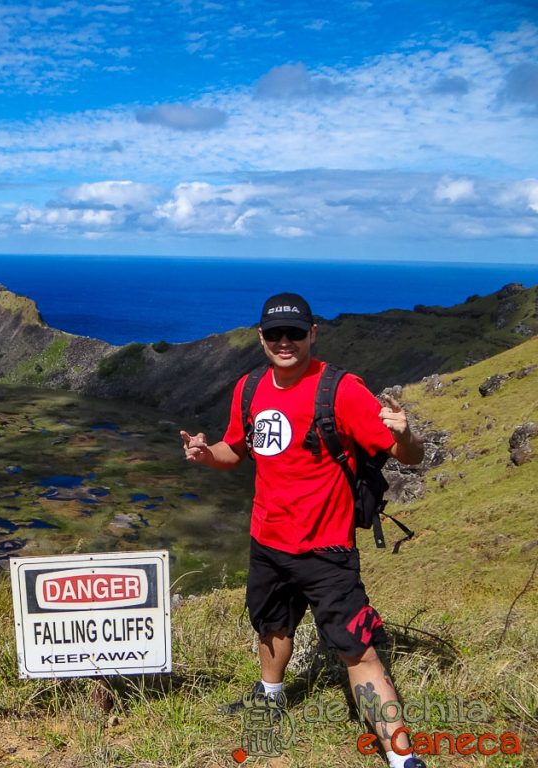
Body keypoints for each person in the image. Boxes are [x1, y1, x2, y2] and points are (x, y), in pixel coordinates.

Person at [181, 292, 427, 768]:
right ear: (261, 337)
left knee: (358, 651)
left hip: (326, 549)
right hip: (266, 541)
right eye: (275, 334)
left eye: (295, 332)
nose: (285, 341)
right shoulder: (249, 388)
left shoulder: (342, 390)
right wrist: (207, 454)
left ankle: (401, 755)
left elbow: (409, 456)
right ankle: (271, 695)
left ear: (313, 333)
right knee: (272, 624)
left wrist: (405, 435)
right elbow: (238, 450)